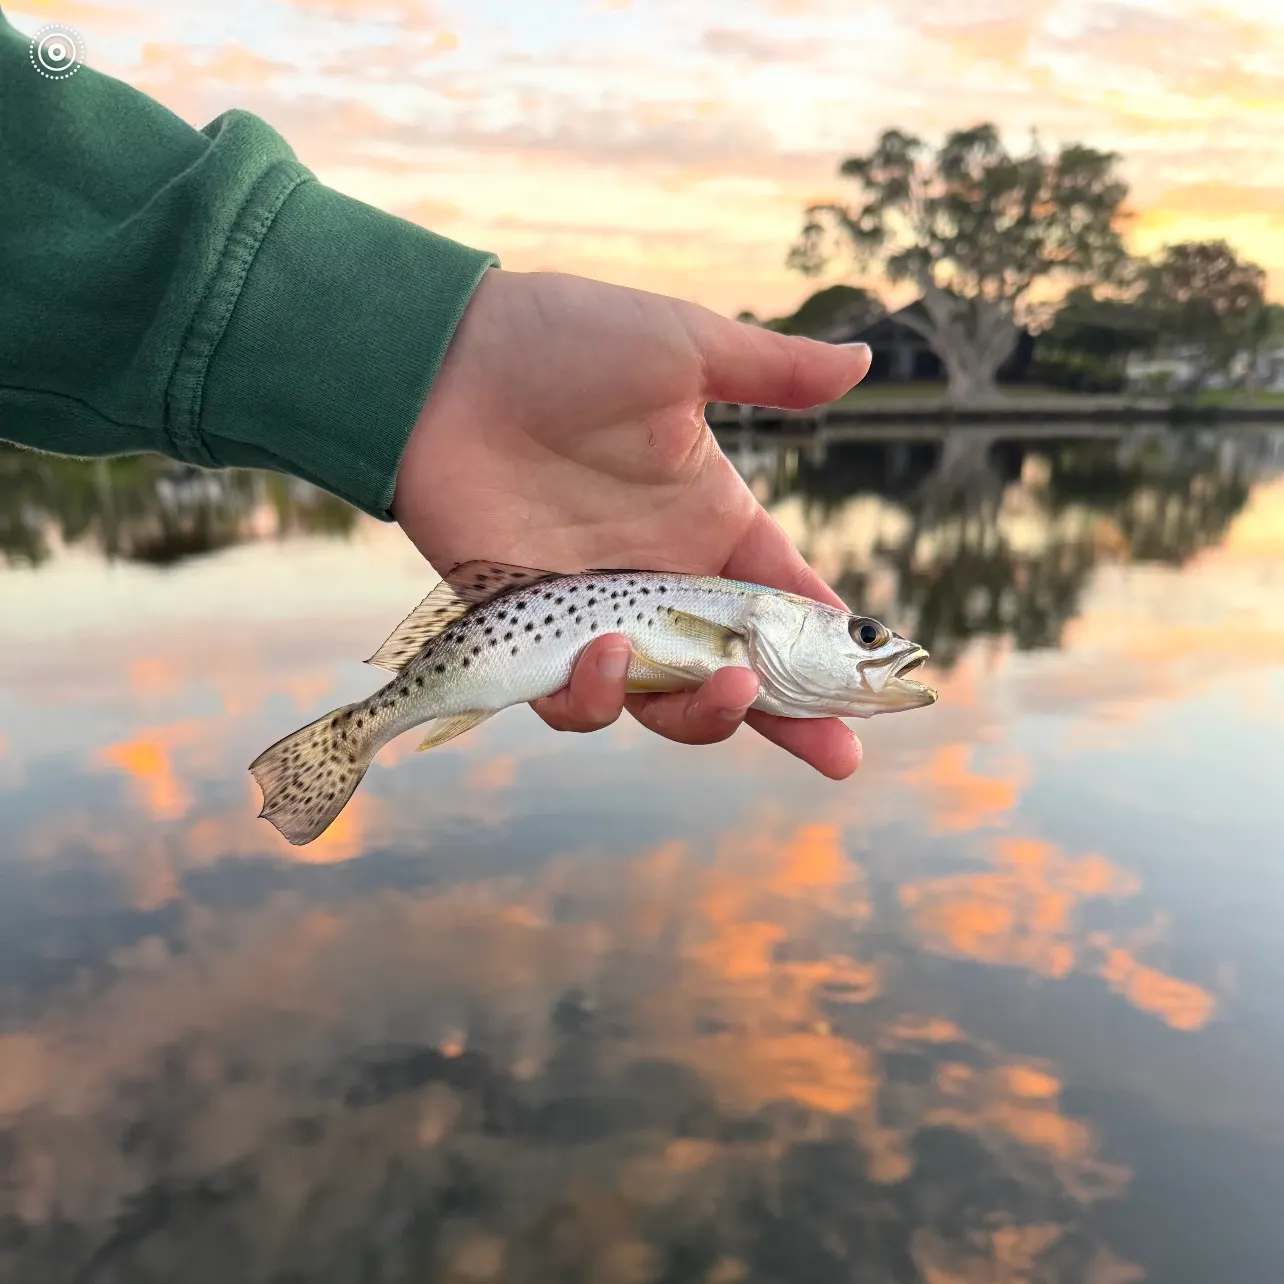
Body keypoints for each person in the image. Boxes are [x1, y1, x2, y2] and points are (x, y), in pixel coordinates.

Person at [0, 10, 872, 779]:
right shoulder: (752, 616)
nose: (871, 643)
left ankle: (359, 733)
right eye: (863, 635)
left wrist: (436, 349)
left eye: (866, 636)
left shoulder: (745, 621)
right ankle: (351, 739)